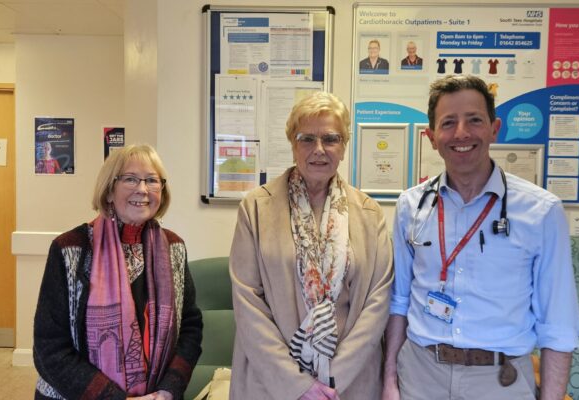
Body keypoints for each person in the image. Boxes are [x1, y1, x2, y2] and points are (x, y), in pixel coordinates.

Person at [382, 75, 579, 400]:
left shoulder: (542, 212)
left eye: (474, 120)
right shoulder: (410, 206)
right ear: (431, 137)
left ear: (494, 128)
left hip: (501, 381)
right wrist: (390, 381)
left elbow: (557, 325)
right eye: (448, 123)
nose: (461, 133)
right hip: (420, 376)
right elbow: (399, 301)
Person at [229, 91, 393, 400]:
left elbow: (377, 302)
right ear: (292, 144)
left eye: (331, 139)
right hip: (272, 384)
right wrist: (297, 386)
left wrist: (332, 379)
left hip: (348, 384)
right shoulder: (255, 208)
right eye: (307, 139)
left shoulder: (370, 213)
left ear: (343, 147)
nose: (319, 150)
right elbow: (247, 303)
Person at [33, 144, 203, 400]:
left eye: (152, 180)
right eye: (131, 179)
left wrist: (169, 390)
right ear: (109, 190)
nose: (143, 189)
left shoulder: (174, 247)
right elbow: (50, 347)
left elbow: (190, 327)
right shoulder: (70, 249)